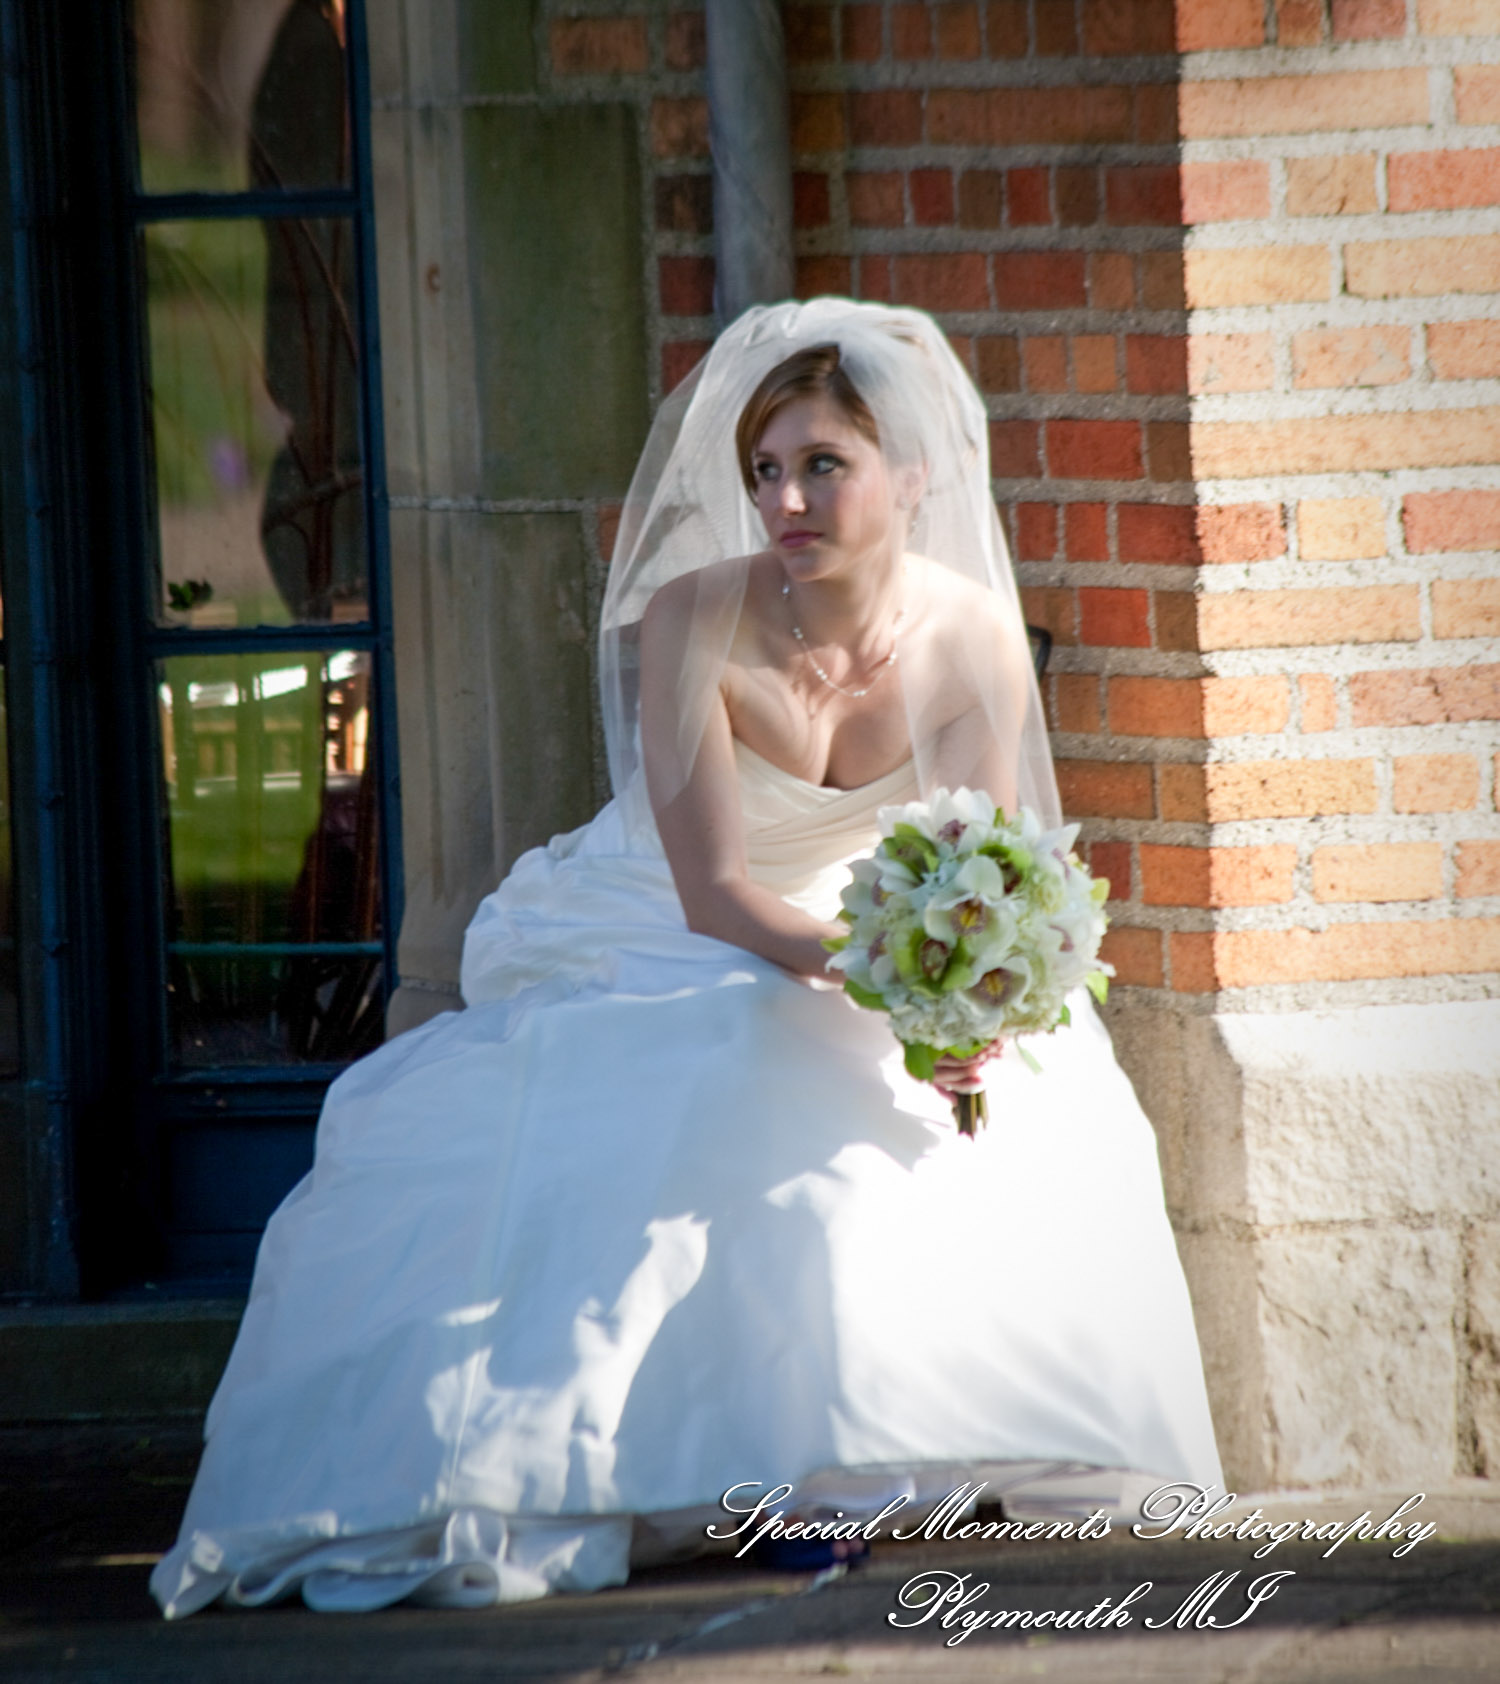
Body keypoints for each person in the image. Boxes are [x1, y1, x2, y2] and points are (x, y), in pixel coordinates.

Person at [150, 298, 1223, 1618]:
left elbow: (977, 862)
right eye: (766, 471)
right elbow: (714, 893)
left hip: (883, 913)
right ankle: (709, 1461)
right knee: (730, 1039)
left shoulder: (970, 636)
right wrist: (879, 970)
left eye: (823, 463)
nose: (788, 497)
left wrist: (959, 986)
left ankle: (886, 1442)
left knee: (1024, 1089)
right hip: (680, 909)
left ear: (913, 475)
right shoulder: (692, 620)